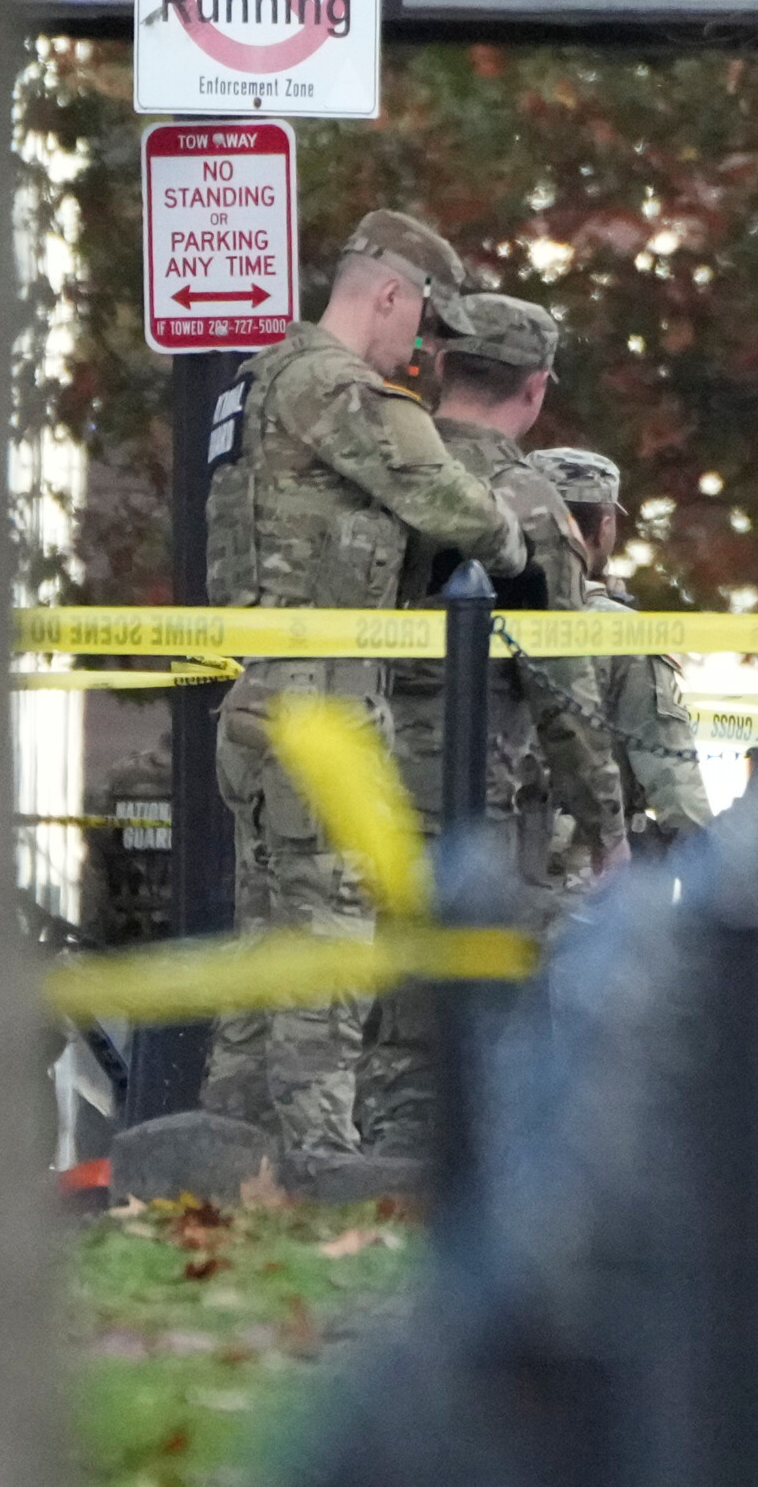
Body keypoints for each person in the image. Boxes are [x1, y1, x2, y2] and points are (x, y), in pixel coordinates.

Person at [199, 210, 530, 1173]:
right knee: (331, 956)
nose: (423, 350)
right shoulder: (331, 385)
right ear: (387, 293)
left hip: (270, 696)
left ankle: (219, 1174)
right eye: (424, 323)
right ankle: (313, 1173)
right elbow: (449, 497)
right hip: (322, 707)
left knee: (269, 956)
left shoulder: (262, 379)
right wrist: (510, 538)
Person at [359, 293, 628, 1161]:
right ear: (536, 388)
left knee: (368, 1009)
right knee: (471, 1015)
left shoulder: (372, 466)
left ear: (440, 366)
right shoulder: (530, 506)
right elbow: (563, 690)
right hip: (471, 802)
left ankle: (363, 1182)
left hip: (344, 778)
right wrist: (605, 828)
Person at [529, 445, 714, 856]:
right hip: (589, 865)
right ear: (605, 526)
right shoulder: (621, 631)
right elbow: (670, 774)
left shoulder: (468, 607)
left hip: (476, 861)